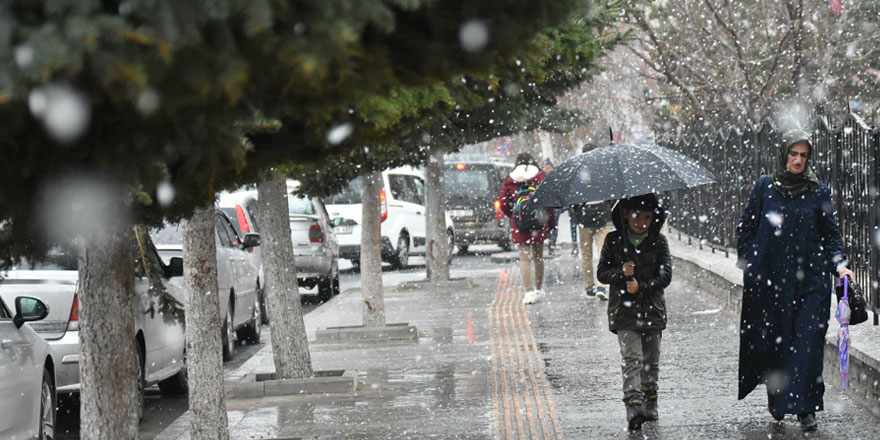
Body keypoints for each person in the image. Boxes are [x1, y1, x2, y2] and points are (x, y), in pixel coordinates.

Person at [736, 128, 855, 432]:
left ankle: (806, 407)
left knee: (809, 343)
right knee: (778, 341)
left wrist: (840, 265)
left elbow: (831, 236)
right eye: (793, 153)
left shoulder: (818, 191)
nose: (798, 160)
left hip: (812, 280)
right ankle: (778, 398)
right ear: (784, 154)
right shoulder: (766, 188)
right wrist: (751, 263)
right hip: (774, 282)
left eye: (804, 155)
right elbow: (745, 228)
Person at [597, 193, 671, 431]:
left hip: (652, 310)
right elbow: (602, 273)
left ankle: (651, 400)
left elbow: (665, 276)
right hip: (624, 313)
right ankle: (633, 404)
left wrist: (642, 285)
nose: (641, 222)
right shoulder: (613, 241)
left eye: (647, 218)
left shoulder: (659, 242)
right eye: (637, 216)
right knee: (632, 359)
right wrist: (621, 271)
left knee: (651, 360)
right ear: (626, 214)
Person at [500, 152, 556, 305]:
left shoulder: (510, 179)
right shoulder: (539, 177)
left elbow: (503, 202)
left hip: (520, 224)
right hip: (538, 222)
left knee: (524, 259)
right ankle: (538, 289)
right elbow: (547, 200)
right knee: (538, 257)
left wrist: (513, 216)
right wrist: (551, 222)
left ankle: (528, 291)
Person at [572, 144, 613, 300]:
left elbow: (573, 198)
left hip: (584, 219)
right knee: (604, 253)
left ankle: (590, 287)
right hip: (603, 217)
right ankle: (602, 286)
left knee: (586, 255)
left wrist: (578, 210)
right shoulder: (604, 171)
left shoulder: (577, 173)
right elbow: (612, 194)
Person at [543, 159, 558, 255]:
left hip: (554, 205)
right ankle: (550, 242)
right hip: (547, 205)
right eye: (546, 168)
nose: (548, 170)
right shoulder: (542, 178)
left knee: (555, 225)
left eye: (550, 168)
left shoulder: (555, 178)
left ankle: (552, 244)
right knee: (549, 225)